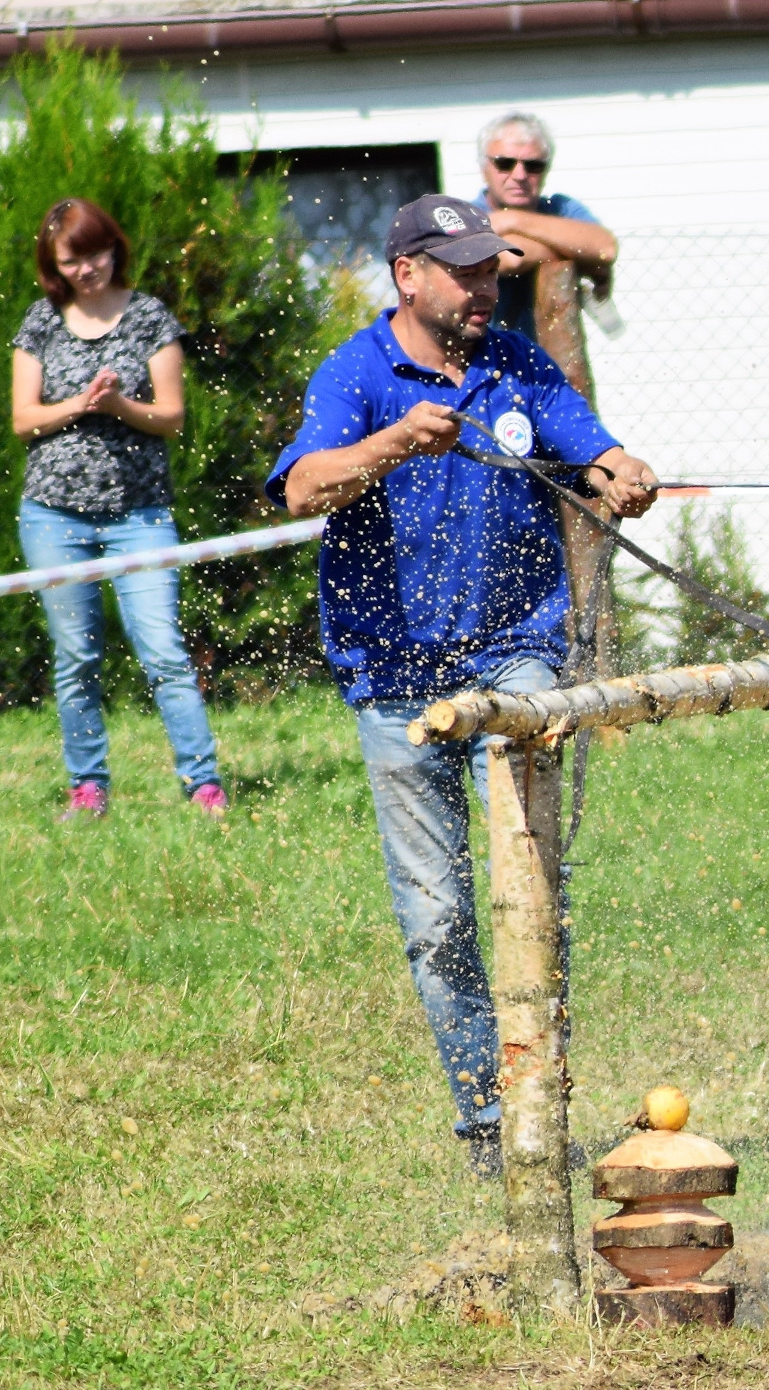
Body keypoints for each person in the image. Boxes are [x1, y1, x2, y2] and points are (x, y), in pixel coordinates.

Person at [268, 195, 660, 1177]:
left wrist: (618, 471)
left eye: (492, 269)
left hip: (516, 653)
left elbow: (585, 439)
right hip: (394, 678)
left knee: (527, 885)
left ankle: (544, 1103)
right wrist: (394, 442)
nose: (485, 286)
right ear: (408, 275)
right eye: (465, 270)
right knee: (439, 920)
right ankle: (489, 1125)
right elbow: (302, 486)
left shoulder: (520, 360)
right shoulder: (356, 374)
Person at [12, 198, 224, 820]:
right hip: (53, 514)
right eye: (72, 259)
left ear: (115, 248)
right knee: (76, 656)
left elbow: (172, 416)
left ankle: (203, 785)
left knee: (162, 651)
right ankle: (89, 788)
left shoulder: (150, 317)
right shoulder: (40, 323)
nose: (87, 269)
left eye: (96, 253)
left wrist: (120, 407)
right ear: (54, 265)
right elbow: (25, 420)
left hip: (140, 515)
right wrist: (81, 403)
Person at [471, 111, 615, 347]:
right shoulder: (466, 214)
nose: (519, 175)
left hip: (554, 363)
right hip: (488, 364)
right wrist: (580, 256)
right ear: (483, 167)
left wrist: (512, 221)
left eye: (533, 166)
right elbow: (510, 259)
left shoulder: (560, 207)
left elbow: (605, 248)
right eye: (505, 163)